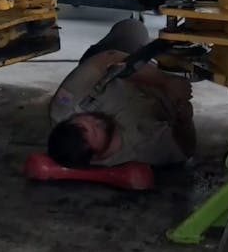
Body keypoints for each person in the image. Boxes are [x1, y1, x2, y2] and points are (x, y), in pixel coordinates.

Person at [46, 19, 196, 168]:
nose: (94, 121)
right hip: (157, 94)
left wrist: (165, 81)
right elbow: (185, 149)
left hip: (117, 64)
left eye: (85, 119)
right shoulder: (143, 150)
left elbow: (106, 60)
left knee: (132, 28)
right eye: (97, 128)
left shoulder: (66, 107)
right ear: (98, 157)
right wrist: (185, 119)